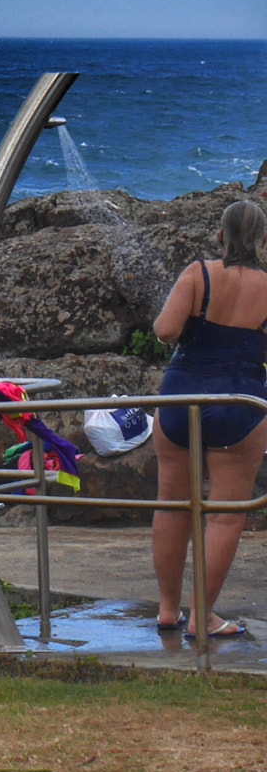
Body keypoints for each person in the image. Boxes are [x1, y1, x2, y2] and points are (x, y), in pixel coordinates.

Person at [150, 197, 267, 636]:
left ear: (221, 235)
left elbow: (165, 330)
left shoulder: (198, 274)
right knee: (225, 515)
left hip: (181, 398)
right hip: (241, 404)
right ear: (262, 240)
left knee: (172, 505)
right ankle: (203, 618)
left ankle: (166, 609)